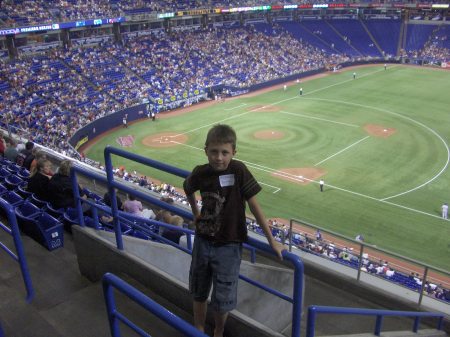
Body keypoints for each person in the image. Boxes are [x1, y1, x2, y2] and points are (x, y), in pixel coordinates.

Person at [183, 124, 284, 337]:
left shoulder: (238, 170)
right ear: (206, 150)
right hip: (203, 241)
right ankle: (199, 328)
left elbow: (255, 206)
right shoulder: (201, 172)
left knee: (223, 299)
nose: (219, 157)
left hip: (229, 246)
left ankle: (218, 331)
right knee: (199, 292)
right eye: (214, 151)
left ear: (233, 153)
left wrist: (271, 240)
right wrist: (195, 213)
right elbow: (188, 187)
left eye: (224, 152)